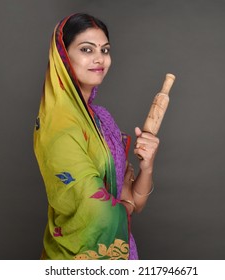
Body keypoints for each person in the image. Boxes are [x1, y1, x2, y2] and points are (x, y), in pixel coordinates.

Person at [34, 13, 159, 260]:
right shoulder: (59, 128)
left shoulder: (102, 120)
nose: (99, 59)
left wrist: (147, 166)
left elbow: (133, 201)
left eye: (105, 50)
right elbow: (98, 211)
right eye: (86, 49)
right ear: (63, 57)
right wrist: (125, 204)